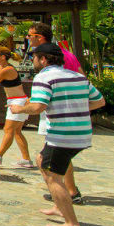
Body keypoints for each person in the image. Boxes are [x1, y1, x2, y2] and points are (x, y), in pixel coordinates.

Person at [9, 43, 104, 226]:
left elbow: (38, 106)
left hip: (63, 135)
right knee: (41, 159)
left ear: (43, 59)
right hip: (82, 133)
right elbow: (99, 101)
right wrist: (74, 108)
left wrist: (18, 109)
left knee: (53, 176)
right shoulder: (78, 77)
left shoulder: (44, 77)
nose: (32, 60)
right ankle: (59, 205)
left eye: (34, 57)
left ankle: (71, 223)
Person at [27, 23, 86, 203]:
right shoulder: (66, 55)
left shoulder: (52, 60)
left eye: (30, 36)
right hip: (68, 111)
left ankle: (66, 193)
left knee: (53, 154)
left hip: (58, 111)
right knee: (58, 153)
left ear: (40, 37)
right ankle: (66, 191)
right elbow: (82, 77)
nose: (28, 39)